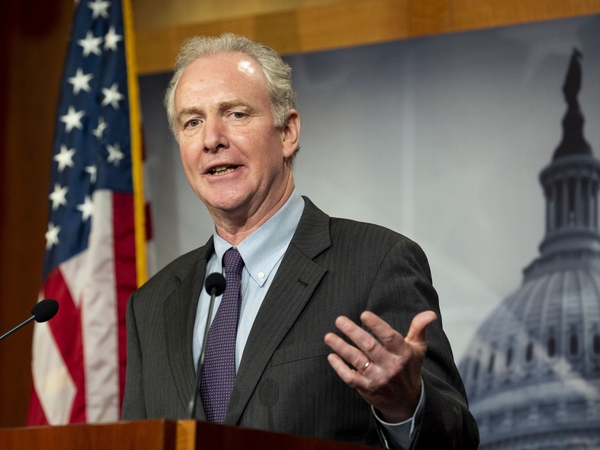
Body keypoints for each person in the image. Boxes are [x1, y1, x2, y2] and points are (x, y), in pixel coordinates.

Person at [121, 33, 479, 449]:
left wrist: (405, 406)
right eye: (192, 122)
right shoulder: (151, 305)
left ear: (288, 132)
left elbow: (458, 441)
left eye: (235, 114)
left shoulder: (377, 263)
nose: (211, 139)